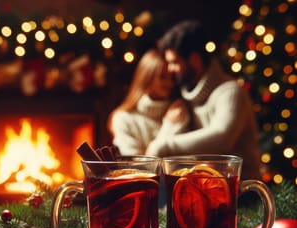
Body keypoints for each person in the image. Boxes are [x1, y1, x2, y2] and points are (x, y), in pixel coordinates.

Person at [145, 20, 261, 180]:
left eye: (175, 62)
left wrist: (163, 146)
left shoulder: (230, 92)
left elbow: (221, 137)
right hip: (208, 191)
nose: (171, 69)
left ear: (194, 60)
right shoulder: (188, 96)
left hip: (243, 195)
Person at [108, 48, 190, 155]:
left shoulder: (179, 110)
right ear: (147, 76)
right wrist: (168, 125)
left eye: (173, 78)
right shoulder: (123, 119)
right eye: (162, 77)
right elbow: (137, 168)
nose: (170, 83)